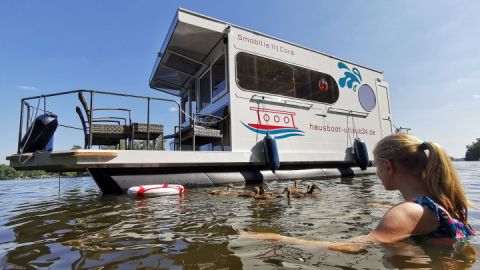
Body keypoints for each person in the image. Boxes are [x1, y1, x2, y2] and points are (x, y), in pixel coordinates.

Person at [242, 133, 476, 254]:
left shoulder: (406, 212)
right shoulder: (445, 203)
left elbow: (353, 247)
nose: (377, 174)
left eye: (376, 166)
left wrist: (275, 238)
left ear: (388, 166)